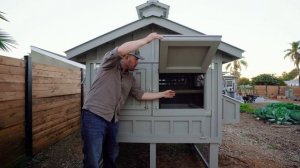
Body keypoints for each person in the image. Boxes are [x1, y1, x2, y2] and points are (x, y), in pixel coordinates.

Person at [81, 32, 176, 168]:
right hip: (94, 117)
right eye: (136, 59)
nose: (137, 62)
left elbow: (140, 95)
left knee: (111, 156)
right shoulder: (108, 65)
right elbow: (120, 49)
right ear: (126, 57)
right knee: (92, 159)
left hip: (112, 120)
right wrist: (147, 39)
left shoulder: (130, 78)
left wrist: (162, 94)